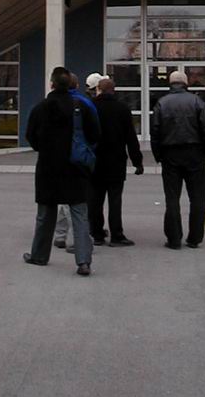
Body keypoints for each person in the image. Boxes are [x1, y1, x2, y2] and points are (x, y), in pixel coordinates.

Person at [24, 66, 100, 276]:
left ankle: (39, 255)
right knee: (79, 214)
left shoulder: (40, 108)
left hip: (48, 167)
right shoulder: (80, 106)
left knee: (45, 214)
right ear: (71, 85)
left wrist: (44, 148)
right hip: (75, 167)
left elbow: (30, 136)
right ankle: (83, 261)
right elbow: (94, 134)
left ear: (52, 84)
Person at [150, 70, 205, 250]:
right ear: (186, 84)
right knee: (198, 197)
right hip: (195, 152)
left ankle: (174, 238)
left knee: (172, 197)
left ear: (170, 83)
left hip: (170, 154)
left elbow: (155, 132)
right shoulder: (196, 102)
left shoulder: (162, 103)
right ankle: (194, 238)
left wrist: (158, 155)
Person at [89, 77, 144, 246]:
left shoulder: (91, 107)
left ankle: (97, 233)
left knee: (95, 199)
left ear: (98, 89)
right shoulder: (122, 108)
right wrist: (137, 161)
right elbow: (130, 137)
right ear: (114, 90)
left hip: (95, 160)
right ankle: (116, 235)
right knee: (115, 200)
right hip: (116, 160)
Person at [54, 72, 100, 253]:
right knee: (77, 200)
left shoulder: (52, 103)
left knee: (64, 197)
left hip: (59, 156)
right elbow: (94, 131)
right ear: (78, 85)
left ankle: (60, 234)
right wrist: (89, 149)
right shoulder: (84, 104)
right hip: (79, 156)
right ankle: (78, 239)